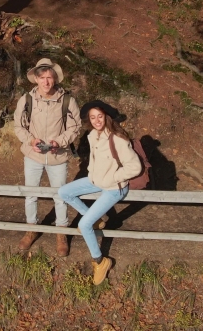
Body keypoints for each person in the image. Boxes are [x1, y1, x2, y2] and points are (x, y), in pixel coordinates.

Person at [58, 100, 141, 285]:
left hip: (114, 188)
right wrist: (96, 177)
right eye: (93, 117)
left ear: (106, 117)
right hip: (96, 180)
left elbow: (135, 167)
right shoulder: (92, 136)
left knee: (84, 225)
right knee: (64, 192)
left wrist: (113, 177)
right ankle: (95, 219)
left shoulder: (117, 138)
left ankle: (100, 261)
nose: (96, 120)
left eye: (100, 116)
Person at [13, 58, 81, 257]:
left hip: (57, 156)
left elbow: (74, 127)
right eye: (42, 78)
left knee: (60, 196)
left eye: (49, 77)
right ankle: (31, 229)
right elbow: (18, 126)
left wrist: (58, 142)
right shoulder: (26, 100)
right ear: (36, 78)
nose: (46, 82)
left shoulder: (67, 100)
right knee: (30, 193)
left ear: (55, 79)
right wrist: (30, 140)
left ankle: (61, 233)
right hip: (33, 156)